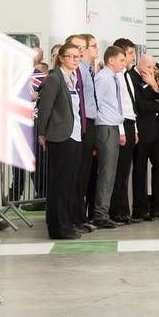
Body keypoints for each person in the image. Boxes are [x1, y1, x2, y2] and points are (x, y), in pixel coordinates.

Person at [35, 42, 85, 239]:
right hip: (60, 136)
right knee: (60, 184)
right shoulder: (55, 78)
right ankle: (60, 228)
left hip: (74, 134)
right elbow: (45, 108)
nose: (75, 60)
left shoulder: (72, 78)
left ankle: (63, 225)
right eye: (71, 56)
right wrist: (42, 133)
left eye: (77, 57)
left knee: (69, 183)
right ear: (61, 58)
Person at [130, 54, 159, 221]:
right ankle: (140, 209)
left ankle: (158, 207)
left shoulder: (152, 79)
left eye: (153, 68)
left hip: (157, 131)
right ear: (140, 64)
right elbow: (139, 105)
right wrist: (157, 105)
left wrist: (155, 86)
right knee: (140, 170)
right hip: (142, 130)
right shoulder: (132, 78)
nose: (151, 71)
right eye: (148, 67)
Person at [63, 34, 98, 233]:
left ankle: (80, 215)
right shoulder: (79, 71)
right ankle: (76, 216)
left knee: (84, 173)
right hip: (82, 124)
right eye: (88, 46)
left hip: (89, 122)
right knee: (79, 174)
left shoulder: (88, 70)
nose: (85, 51)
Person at [92, 46, 128, 229]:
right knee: (106, 173)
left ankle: (103, 211)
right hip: (105, 127)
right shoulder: (104, 78)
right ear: (111, 60)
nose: (124, 63)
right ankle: (100, 213)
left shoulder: (112, 78)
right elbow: (95, 101)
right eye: (121, 60)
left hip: (112, 126)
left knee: (110, 173)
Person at [110, 38, 139, 223]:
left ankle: (123, 209)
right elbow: (116, 106)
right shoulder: (115, 76)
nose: (133, 57)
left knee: (125, 171)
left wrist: (134, 129)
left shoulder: (127, 75)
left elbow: (130, 105)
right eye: (130, 53)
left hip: (130, 124)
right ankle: (116, 210)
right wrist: (121, 130)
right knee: (118, 171)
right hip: (119, 124)